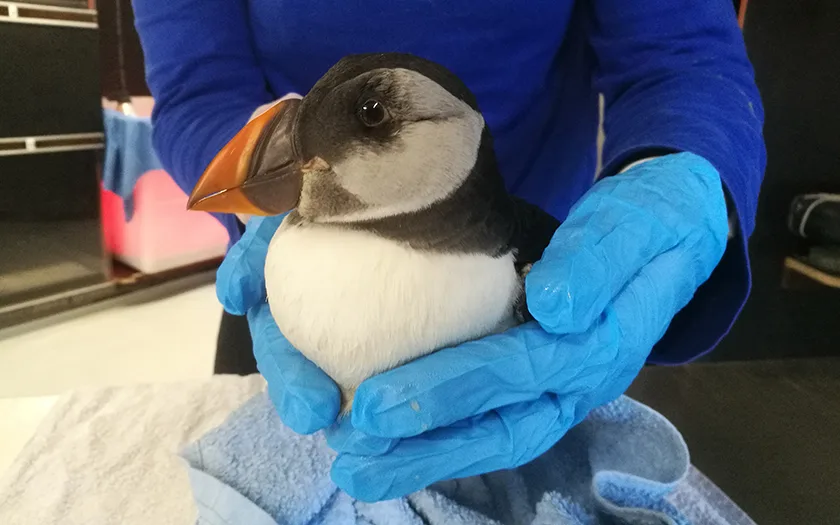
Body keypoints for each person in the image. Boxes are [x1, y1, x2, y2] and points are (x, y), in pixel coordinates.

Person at [134, 0, 765, 501]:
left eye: (378, 113)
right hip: (280, 282)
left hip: (547, 297)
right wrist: (270, 190)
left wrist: (681, 174)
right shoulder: (302, 162)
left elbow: (680, 57)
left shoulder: (538, 282)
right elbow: (197, 89)